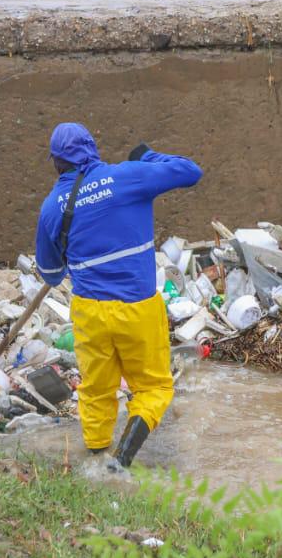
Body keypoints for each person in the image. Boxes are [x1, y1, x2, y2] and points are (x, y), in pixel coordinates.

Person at [34, 123, 202, 469]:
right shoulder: (129, 177)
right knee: (154, 388)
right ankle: (122, 461)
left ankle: (95, 460)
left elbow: (50, 275)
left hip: (89, 313)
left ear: (55, 163)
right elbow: (190, 171)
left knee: (96, 389)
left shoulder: (51, 208)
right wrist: (148, 156)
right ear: (92, 150)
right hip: (137, 310)